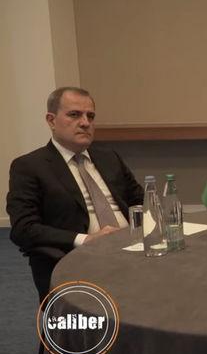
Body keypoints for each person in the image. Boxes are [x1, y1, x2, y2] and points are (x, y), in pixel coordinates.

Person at [6, 87, 144, 302]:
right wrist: (86, 240)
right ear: (51, 120)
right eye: (74, 114)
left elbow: (141, 201)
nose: (85, 123)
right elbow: (23, 228)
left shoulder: (109, 157)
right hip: (81, 259)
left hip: (132, 249)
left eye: (90, 116)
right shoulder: (29, 166)